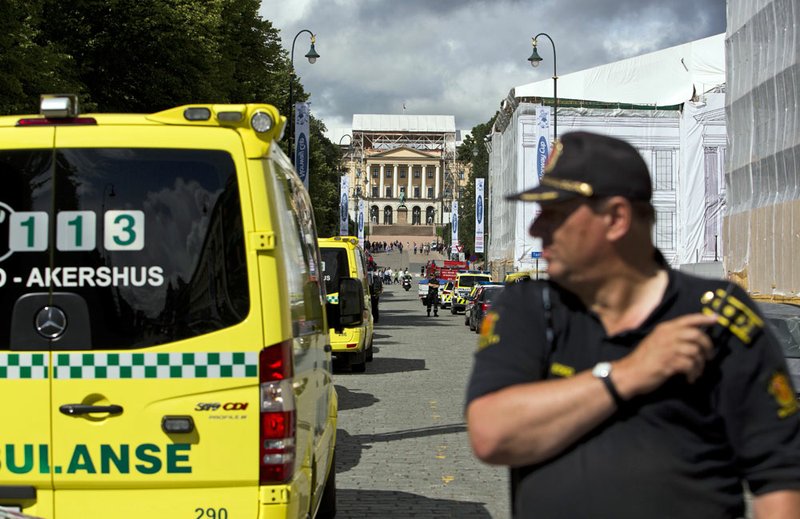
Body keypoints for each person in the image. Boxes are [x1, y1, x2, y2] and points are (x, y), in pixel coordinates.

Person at [466, 131, 800, 518]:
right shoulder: (529, 308)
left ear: (615, 219)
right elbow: (491, 434)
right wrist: (629, 374)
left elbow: (779, 476)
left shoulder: (716, 316)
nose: (537, 229)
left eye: (555, 213)